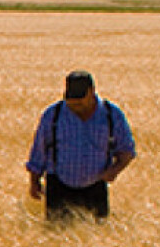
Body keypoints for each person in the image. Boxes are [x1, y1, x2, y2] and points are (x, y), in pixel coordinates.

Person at [26, 70, 136, 222]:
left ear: (91, 92)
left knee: (97, 234)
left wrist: (114, 170)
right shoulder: (53, 115)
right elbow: (39, 151)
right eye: (71, 99)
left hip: (95, 189)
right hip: (58, 187)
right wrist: (34, 182)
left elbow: (126, 150)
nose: (75, 104)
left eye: (80, 99)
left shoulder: (112, 115)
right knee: (57, 234)